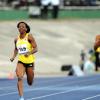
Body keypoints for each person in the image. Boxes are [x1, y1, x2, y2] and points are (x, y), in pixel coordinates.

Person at [10, 21, 38, 100]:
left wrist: (29, 53)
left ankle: (31, 76)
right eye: (19, 27)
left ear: (26, 29)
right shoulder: (16, 39)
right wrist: (13, 57)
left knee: (30, 82)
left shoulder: (29, 37)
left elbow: (36, 48)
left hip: (29, 62)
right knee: (19, 77)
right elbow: (16, 49)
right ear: (18, 29)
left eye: (23, 26)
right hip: (21, 61)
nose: (21, 28)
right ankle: (21, 97)